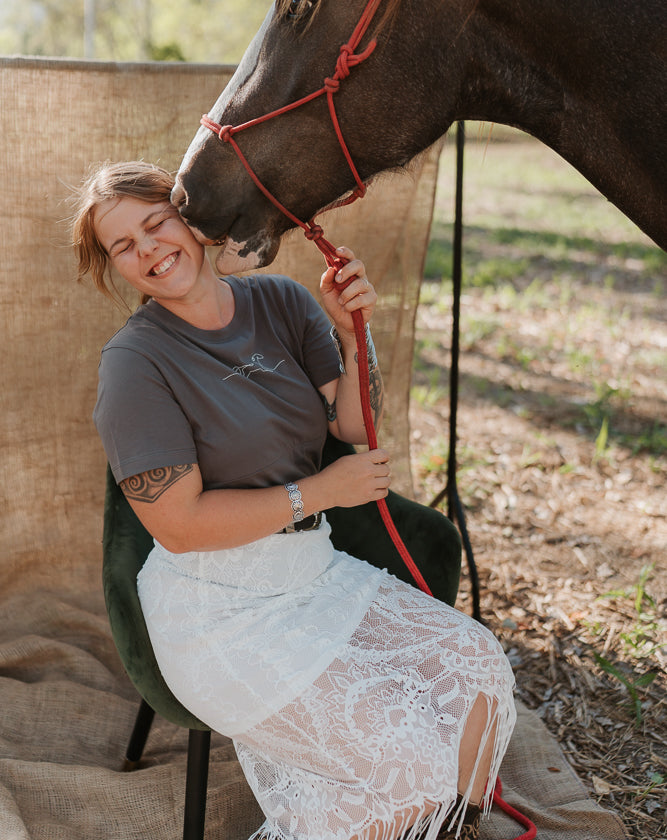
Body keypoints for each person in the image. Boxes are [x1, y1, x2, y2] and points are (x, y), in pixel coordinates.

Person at [72, 160, 516, 840]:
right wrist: (317, 492)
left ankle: (437, 827)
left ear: (190, 220)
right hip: (218, 610)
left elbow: (354, 430)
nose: (148, 250)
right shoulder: (134, 365)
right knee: (407, 766)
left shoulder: (280, 301)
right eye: (122, 246)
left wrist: (349, 330)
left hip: (313, 576)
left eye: (155, 223)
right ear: (114, 267)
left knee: (477, 665)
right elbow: (182, 526)